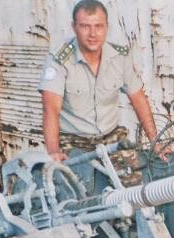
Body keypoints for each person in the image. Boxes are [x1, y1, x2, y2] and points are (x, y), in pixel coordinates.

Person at [38, 0, 158, 188]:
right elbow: (50, 109)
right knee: (79, 200)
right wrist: (53, 152)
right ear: (74, 27)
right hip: (73, 142)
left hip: (111, 138)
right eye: (85, 26)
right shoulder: (59, 60)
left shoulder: (120, 57)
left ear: (106, 27)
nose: (93, 34)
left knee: (134, 190)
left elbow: (138, 98)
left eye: (98, 26)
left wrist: (155, 141)